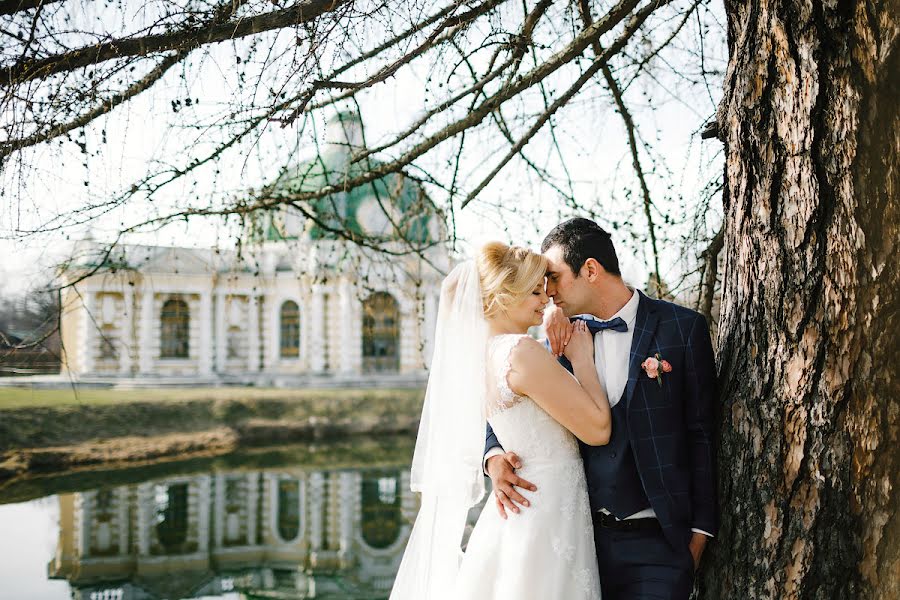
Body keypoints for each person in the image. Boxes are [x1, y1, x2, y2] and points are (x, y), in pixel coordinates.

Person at [486, 217, 719, 599]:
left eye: (554, 278)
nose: (547, 293)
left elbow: (702, 433)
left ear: (590, 270)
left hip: (660, 544)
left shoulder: (682, 328)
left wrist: (699, 536)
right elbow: (509, 401)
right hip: (578, 541)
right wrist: (493, 456)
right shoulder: (553, 340)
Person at [390, 241, 611, 600]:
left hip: (519, 507)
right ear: (506, 294)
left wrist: (492, 457)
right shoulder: (520, 352)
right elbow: (599, 430)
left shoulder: (478, 357)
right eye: (535, 291)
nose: (546, 299)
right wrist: (582, 359)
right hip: (546, 506)